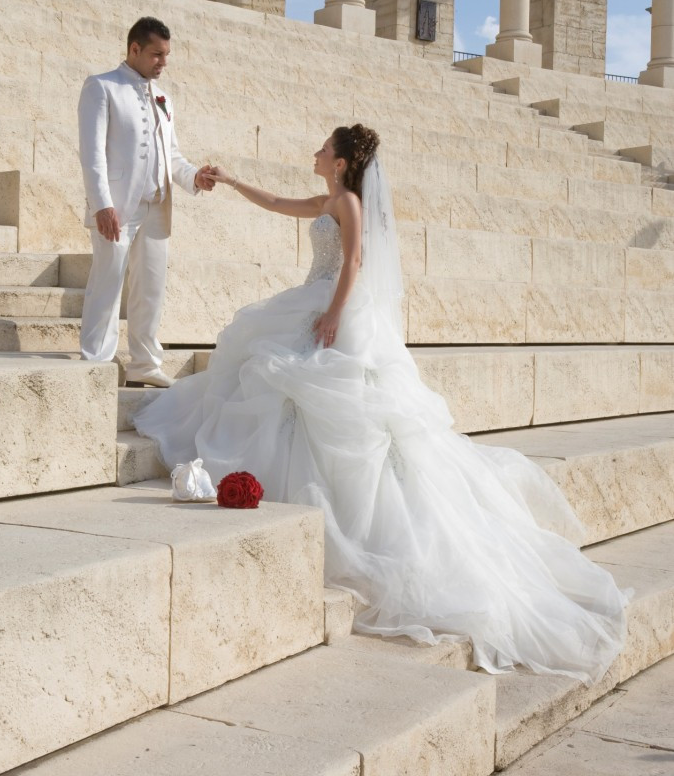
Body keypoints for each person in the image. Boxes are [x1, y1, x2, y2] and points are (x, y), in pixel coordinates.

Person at [134, 123, 629, 683]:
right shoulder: (328, 198)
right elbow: (275, 202)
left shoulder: (347, 203)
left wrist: (333, 315)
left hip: (334, 307)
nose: (315, 151)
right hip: (316, 299)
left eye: (324, 148)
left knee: (309, 394)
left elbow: (352, 263)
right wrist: (231, 179)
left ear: (341, 163)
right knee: (272, 379)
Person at [78, 17, 218, 388]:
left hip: (157, 208)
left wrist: (195, 178)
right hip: (117, 208)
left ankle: (144, 363)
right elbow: (91, 154)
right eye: (157, 53)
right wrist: (101, 205)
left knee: (151, 288)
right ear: (135, 49)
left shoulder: (164, 98)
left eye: (167, 55)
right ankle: (96, 359)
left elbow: (171, 156)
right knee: (107, 283)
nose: (163, 62)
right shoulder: (101, 86)